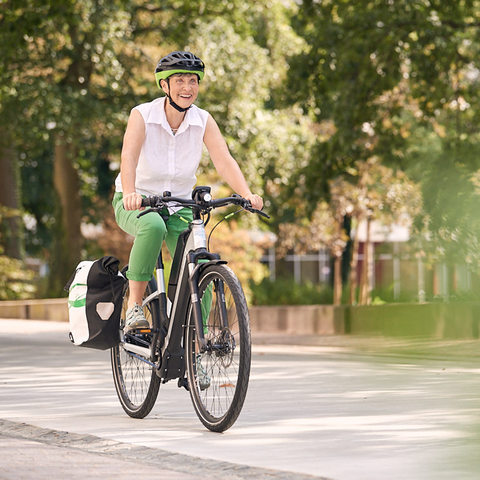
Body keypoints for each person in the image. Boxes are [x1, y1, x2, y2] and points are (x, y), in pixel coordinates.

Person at [112, 51, 263, 331]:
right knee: (153, 226)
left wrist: (247, 194)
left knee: (199, 261)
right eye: (179, 80)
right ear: (164, 86)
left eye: (193, 81)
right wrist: (131, 192)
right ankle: (134, 307)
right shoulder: (142, 115)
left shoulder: (203, 120)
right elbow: (129, 157)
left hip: (179, 205)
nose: (187, 87)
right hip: (136, 201)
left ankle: (198, 347)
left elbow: (224, 160)